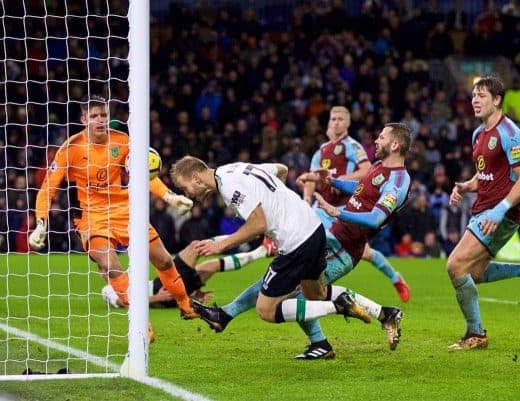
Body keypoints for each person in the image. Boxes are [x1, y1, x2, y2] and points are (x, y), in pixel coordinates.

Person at [187, 123, 412, 359]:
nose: (376, 140)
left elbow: (376, 218)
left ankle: (328, 338)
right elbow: (362, 187)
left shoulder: (398, 181)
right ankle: (379, 316)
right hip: (335, 237)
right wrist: (332, 181)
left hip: (345, 248)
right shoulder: (380, 168)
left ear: (395, 144)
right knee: (278, 284)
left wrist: (339, 213)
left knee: (294, 295)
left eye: (382, 137)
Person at [28, 95, 199, 342]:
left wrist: (170, 197)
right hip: (92, 218)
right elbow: (47, 188)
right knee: (109, 265)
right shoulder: (71, 148)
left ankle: (185, 305)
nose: (100, 121)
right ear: (84, 119)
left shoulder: (122, 141)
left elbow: (144, 174)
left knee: (162, 260)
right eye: (94, 116)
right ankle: (141, 324)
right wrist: (41, 221)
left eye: (103, 115)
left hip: (125, 212)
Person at [170, 156, 374, 357]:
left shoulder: (229, 185)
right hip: (313, 228)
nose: (187, 194)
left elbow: (258, 224)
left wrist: (221, 244)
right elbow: (281, 169)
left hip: (296, 241)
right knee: (314, 294)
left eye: (185, 187)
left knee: (266, 310)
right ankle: (225, 315)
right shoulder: (236, 168)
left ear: (196, 178)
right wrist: (277, 208)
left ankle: (339, 306)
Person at [446, 76, 520, 350]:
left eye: (481, 96)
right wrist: (467, 186)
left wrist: (500, 209)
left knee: (455, 266)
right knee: (473, 274)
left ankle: (475, 334)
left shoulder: (511, 133)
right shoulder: (477, 134)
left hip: (501, 214)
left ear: (497, 99)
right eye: (473, 96)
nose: (475, 101)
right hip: (483, 209)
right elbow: (486, 175)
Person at [296, 106, 411, 302]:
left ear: (348, 123)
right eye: (333, 119)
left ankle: (393, 281)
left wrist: (338, 181)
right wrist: (310, 196)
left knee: (361, 253)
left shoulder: (354, 147)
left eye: (340, 119)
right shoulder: (321, 151)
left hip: (345, 207)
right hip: (323, 206)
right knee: (302, 254)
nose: (336, 122)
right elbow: (313, 180)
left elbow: (364, 177)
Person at [101, 235, 275, 308]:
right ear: (101, 273)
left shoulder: (125, 277)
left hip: (167, 289)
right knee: (196, 247)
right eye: (104, 268)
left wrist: (190, 295)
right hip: (164, 290)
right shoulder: (108, 289)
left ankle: (262, 251)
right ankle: (247, 237)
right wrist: (157, 298)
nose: (109, 268)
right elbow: (123, 302)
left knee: (212, 266)